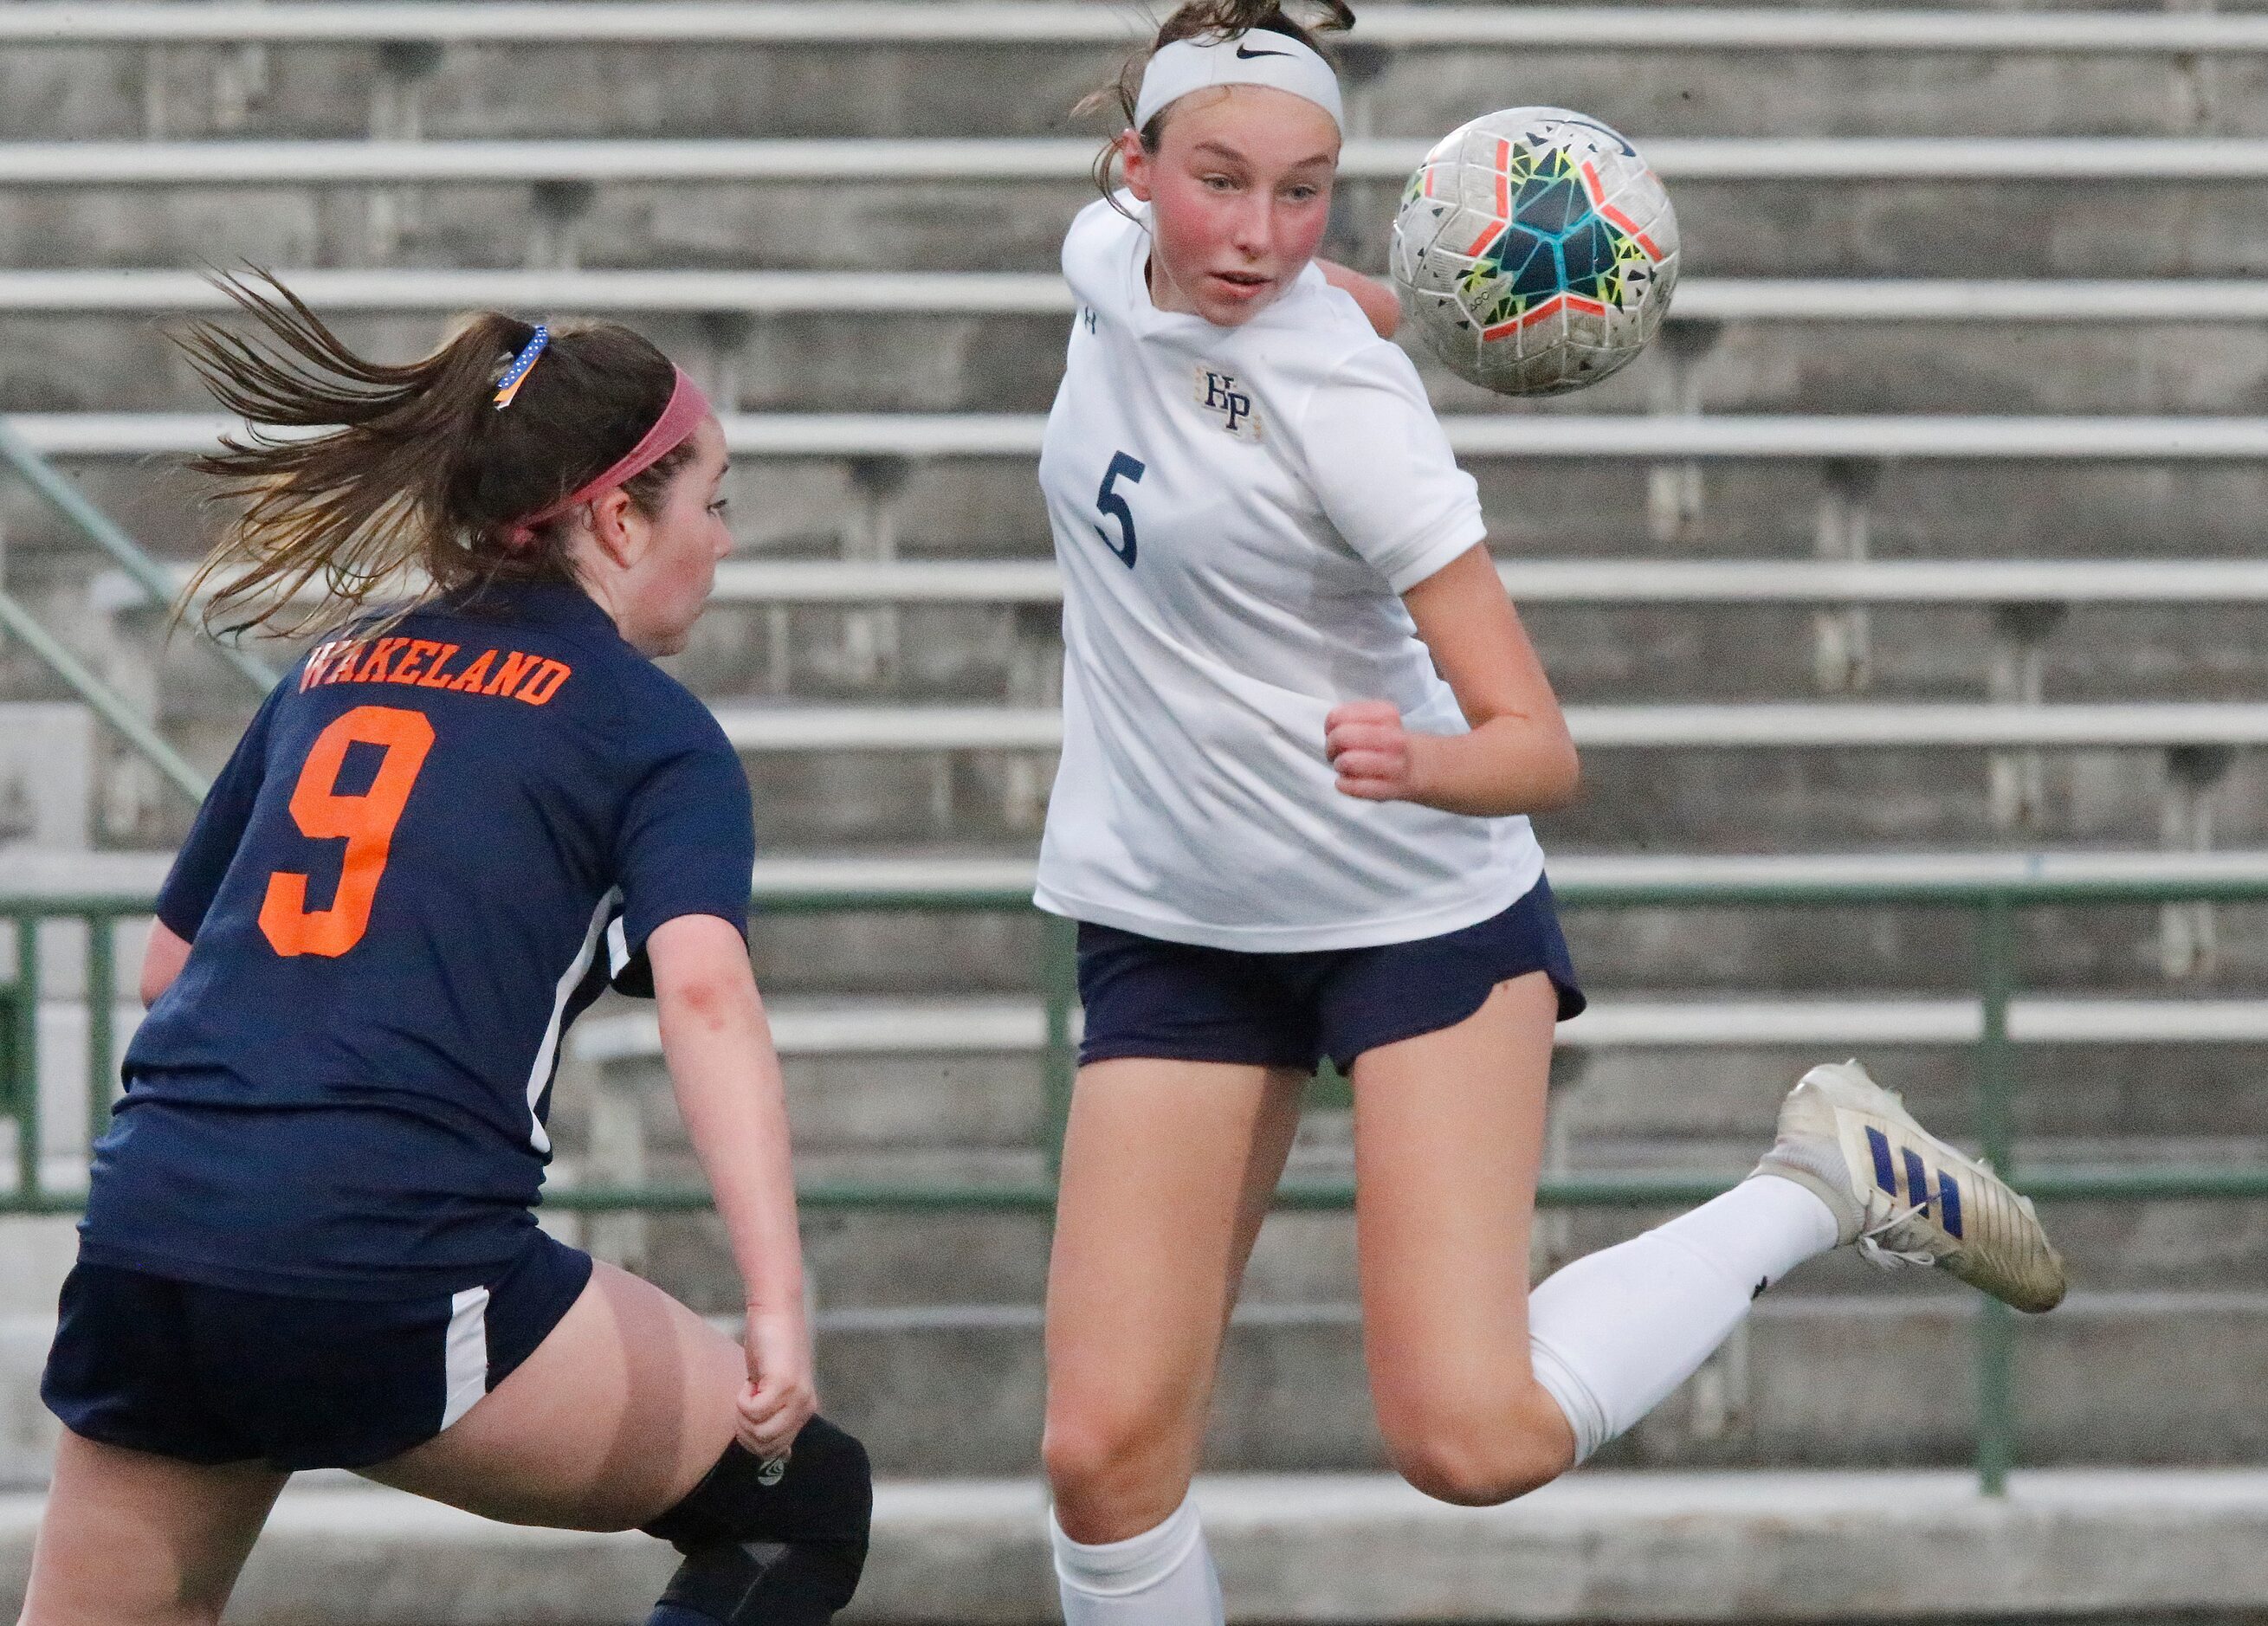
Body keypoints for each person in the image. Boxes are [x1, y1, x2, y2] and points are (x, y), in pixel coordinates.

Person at [1031, 5, 2068, 1622]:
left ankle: (1820, 1180)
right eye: (1220, 181)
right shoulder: (1106, 259)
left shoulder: (1347, 414)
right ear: (1133, 169)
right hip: (1175, 917)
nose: (1259, 235)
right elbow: (1265, 294)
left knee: (1469, 1434)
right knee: (1100, 1458)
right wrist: (1379, 300)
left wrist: (1415, 759)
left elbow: (1537, 745)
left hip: (1410, 910)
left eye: (1307, 194)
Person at [22, 281, 870, 1626]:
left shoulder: (333, 668)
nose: (722, 540)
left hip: (155, 1230)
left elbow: (167, 976)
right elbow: (704, 998)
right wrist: (776, 1301)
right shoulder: (652, 732)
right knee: (799, 1508)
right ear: (614, 516)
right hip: (380, 1250)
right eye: (711, 502)